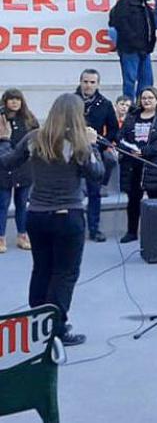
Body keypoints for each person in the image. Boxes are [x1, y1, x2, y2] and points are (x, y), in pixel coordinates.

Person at [0, 94, 104, 346]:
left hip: (36, 215)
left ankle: (36, 324)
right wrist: (93, 145)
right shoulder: (79, 144)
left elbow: (7, 162)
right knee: (64, 273)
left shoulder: (34, 138)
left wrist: (3, 140)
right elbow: (97, 174)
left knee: (41, 269)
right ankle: (55, 328)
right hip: (68, 216)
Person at [117, 87, 157, 244]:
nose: (147, 101)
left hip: (155, 163)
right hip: (133, 164)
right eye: (144, 98)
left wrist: (145, 151)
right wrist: (130, 150)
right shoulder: (132, 117)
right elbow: (120, 137)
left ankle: (156, 232)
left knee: (155, 199)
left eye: (150, 98)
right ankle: (131, 231)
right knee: (133, 200)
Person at [74, 69, 117, 243]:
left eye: (92, 82)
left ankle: (94, 228)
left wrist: (101, 142)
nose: (88, 85)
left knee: (94, 192)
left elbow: (114, 129)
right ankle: (75, 229)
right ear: (80, 82)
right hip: (72, 151)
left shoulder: (105, 104)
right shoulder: (70, 102)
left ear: (98, 84)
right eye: (85, 81)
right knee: (72, 192)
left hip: (94, 151)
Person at [0, 88, 38, 253]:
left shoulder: (29, 118)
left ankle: (22, 235)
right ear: (5, 101)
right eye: (11, 99)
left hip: (24, 167)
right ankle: (1, 238)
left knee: (22, 204)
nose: (15, 102)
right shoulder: (1, 118)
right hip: (4, 167)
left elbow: (36, 137)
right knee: (3, 204)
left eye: (17, 99)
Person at [109, 0, 157, 100]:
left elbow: (151, 26)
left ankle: (143, 105)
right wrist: (137, 44)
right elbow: (123, 26)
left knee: (147, 81)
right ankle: (128, 106)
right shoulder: (124, 3)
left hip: (145, 50)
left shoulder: (145, 4)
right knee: (130, 80)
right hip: (129, 49)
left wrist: (150, 44)